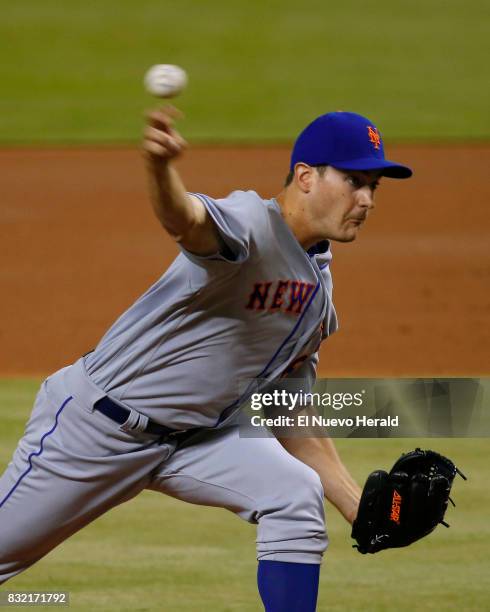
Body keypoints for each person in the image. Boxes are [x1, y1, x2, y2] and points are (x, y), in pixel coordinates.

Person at [0, 108, 412, 610]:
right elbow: (185, 219)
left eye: (374, 186)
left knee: (295, 496)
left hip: (194, 440)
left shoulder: (317, 292)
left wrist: (356, 507)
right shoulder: (249, 226)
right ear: (306, 176)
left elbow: (287, 407)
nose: (366, 199)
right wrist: (159, 169)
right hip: (97, 431)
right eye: (353, 180)